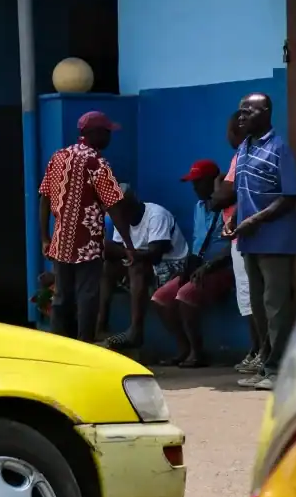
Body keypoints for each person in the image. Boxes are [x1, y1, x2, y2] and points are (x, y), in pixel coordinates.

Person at [224, 93, 296, 390]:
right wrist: (235, 219)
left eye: (249, 111)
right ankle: (266, 366)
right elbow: (243, 193)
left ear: (266, 112)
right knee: (257, 306)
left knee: (276, 306)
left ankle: (279, 370)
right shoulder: (244, 148)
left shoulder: (280, 148)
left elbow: (290, 196)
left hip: (277, 241)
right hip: (249, 241)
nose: (242, 116)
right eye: (240, 111)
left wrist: (255, 220)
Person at [39, 111, 135, 343]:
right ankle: (85, 343)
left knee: (62, 295)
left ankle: (59, 343)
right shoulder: (97, 162)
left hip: (61, 241)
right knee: (88, 295)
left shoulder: (59, 156)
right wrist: (129, 243)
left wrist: (45, 237)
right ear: (95, 134)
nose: (110, 137)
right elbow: (114, 204)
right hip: (88, 243)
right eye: (107, 132)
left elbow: (44, 196)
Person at [150, 159, 236, 367]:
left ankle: (198, 354)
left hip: (223, 268)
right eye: (193, 183)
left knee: (185, 296)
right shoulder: (199, 207)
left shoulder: (230, 208)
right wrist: (185, 270)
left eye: (199, 182)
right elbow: (198, 243)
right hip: (200, 267)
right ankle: (183, 349)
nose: (195, 187)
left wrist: (208, 267)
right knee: (160, 298)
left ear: (213, 182)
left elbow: (232, 246)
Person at [98, 188, 189, 351]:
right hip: (144, 265)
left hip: (173, 265)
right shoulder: (122, 219)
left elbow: (156, 254)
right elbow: (121, 250)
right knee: (108, 267)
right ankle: (100, 326)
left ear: (128, 206)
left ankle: (136, 331)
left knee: (137, 267)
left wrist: (130, 255)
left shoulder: (156, 215)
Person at [213, 111, 263, 374]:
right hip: (248, 236)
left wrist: (217, 184)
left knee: (251, 298)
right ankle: (258, 351)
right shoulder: (254, 154)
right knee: (252, 297)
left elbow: (222, 197)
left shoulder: (242, 156)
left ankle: (260, 353)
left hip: (244, 237)